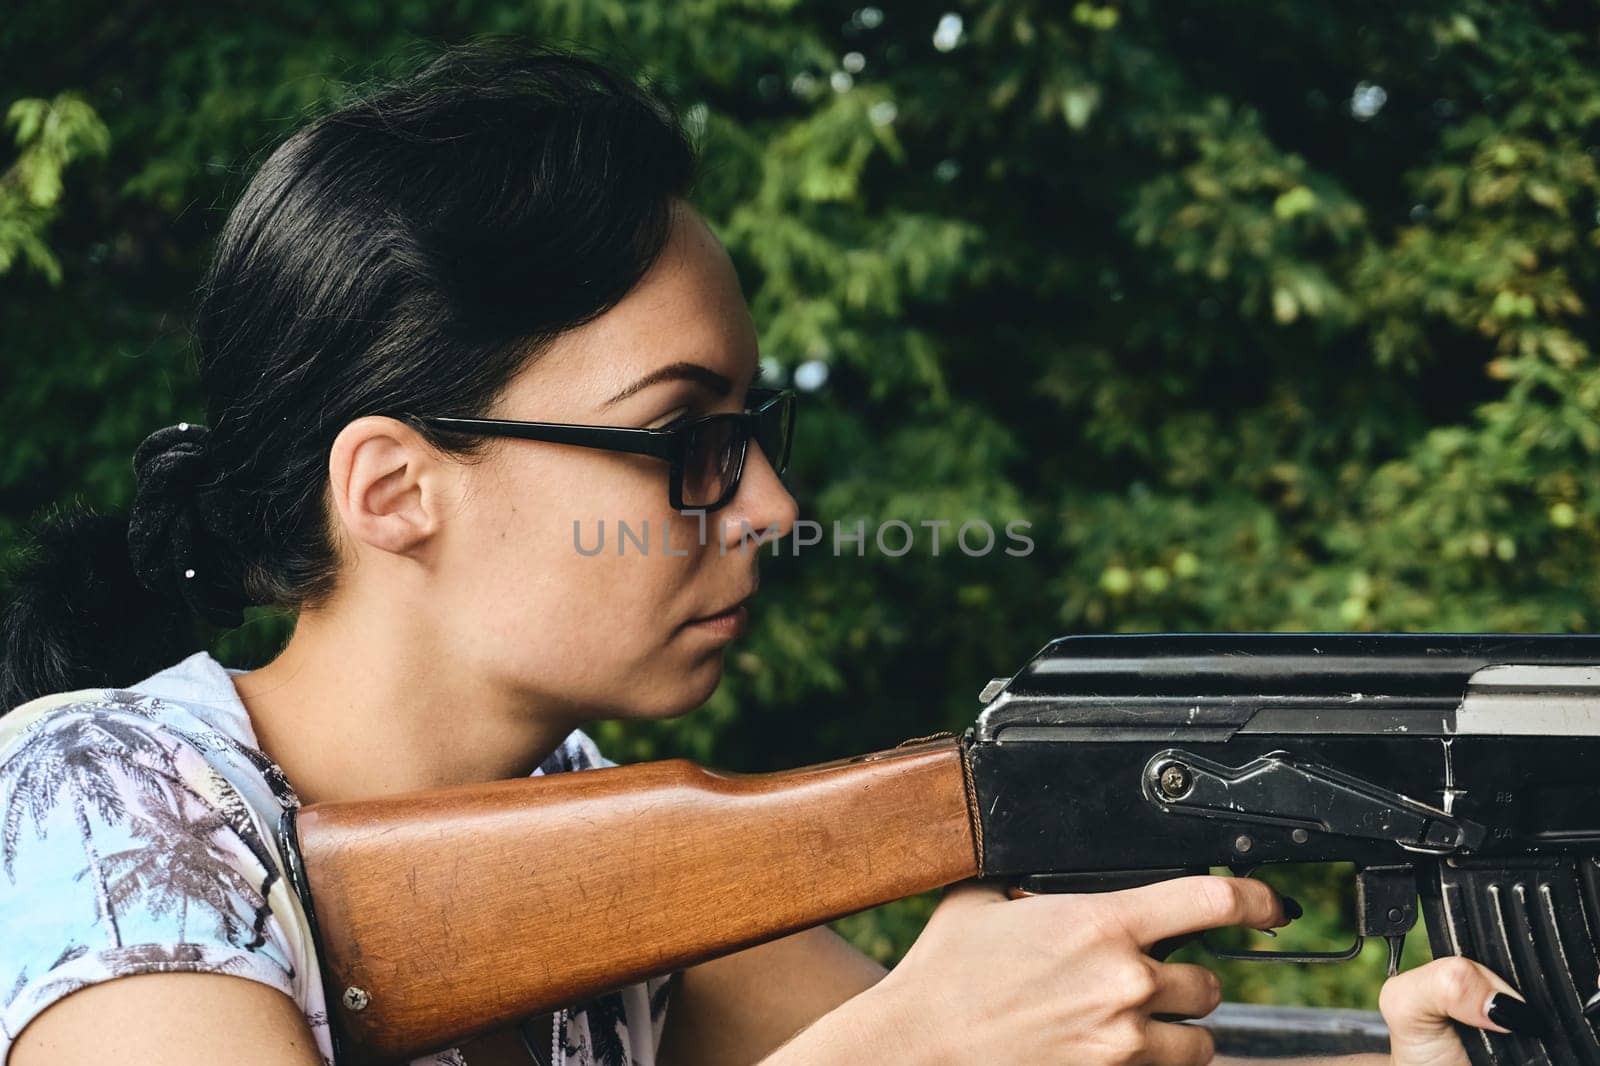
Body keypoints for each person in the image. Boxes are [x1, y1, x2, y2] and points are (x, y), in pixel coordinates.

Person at [0, 39, 1543, 1066]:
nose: (770, 510)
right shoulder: (101, 800)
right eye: (682, 441)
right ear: (396, 486)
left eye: (756, 432)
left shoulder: (584, 830)